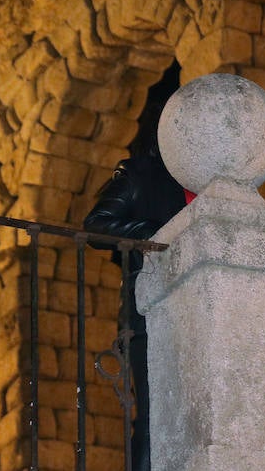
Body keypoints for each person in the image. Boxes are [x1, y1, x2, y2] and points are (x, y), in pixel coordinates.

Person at [82, 102, 190, 471]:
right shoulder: (139, 173)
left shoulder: (210, 184)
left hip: (204, 313)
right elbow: (97, 225)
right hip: (150, 315)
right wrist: (155, 235)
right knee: (155, 417)